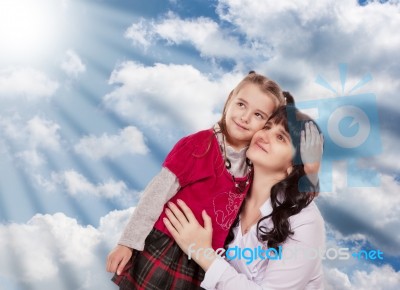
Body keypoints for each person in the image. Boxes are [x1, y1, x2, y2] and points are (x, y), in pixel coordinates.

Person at [106, 72, 320, 289]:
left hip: (202, 264)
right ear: (229, 100)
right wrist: (128, 242)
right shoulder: (199, 146)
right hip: (168, 250)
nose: (245, 118)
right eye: (241, 105)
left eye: (259, 116)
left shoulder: (252, 169)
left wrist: (310, 171)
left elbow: (296, 188)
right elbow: (155, 194)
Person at [163, 105, 325, 289]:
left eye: (280, 137)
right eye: (266, 127)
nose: (264, 135)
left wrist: (203, 253)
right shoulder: (231, 193)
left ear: (293, 165)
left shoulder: (305, 222)